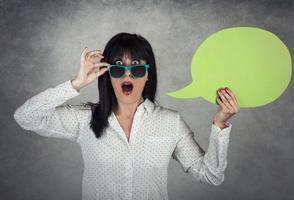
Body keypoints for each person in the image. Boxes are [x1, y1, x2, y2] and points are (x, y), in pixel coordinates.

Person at [13, 32, 239, 200]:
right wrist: (76, 84)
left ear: (148, 76)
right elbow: (26, 117)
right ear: (107, 74)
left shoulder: (171, 122)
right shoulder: (85, 119)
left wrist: (220, 124)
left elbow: (211, 175)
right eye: (119, 67)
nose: (128, 75)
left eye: (138, 68)